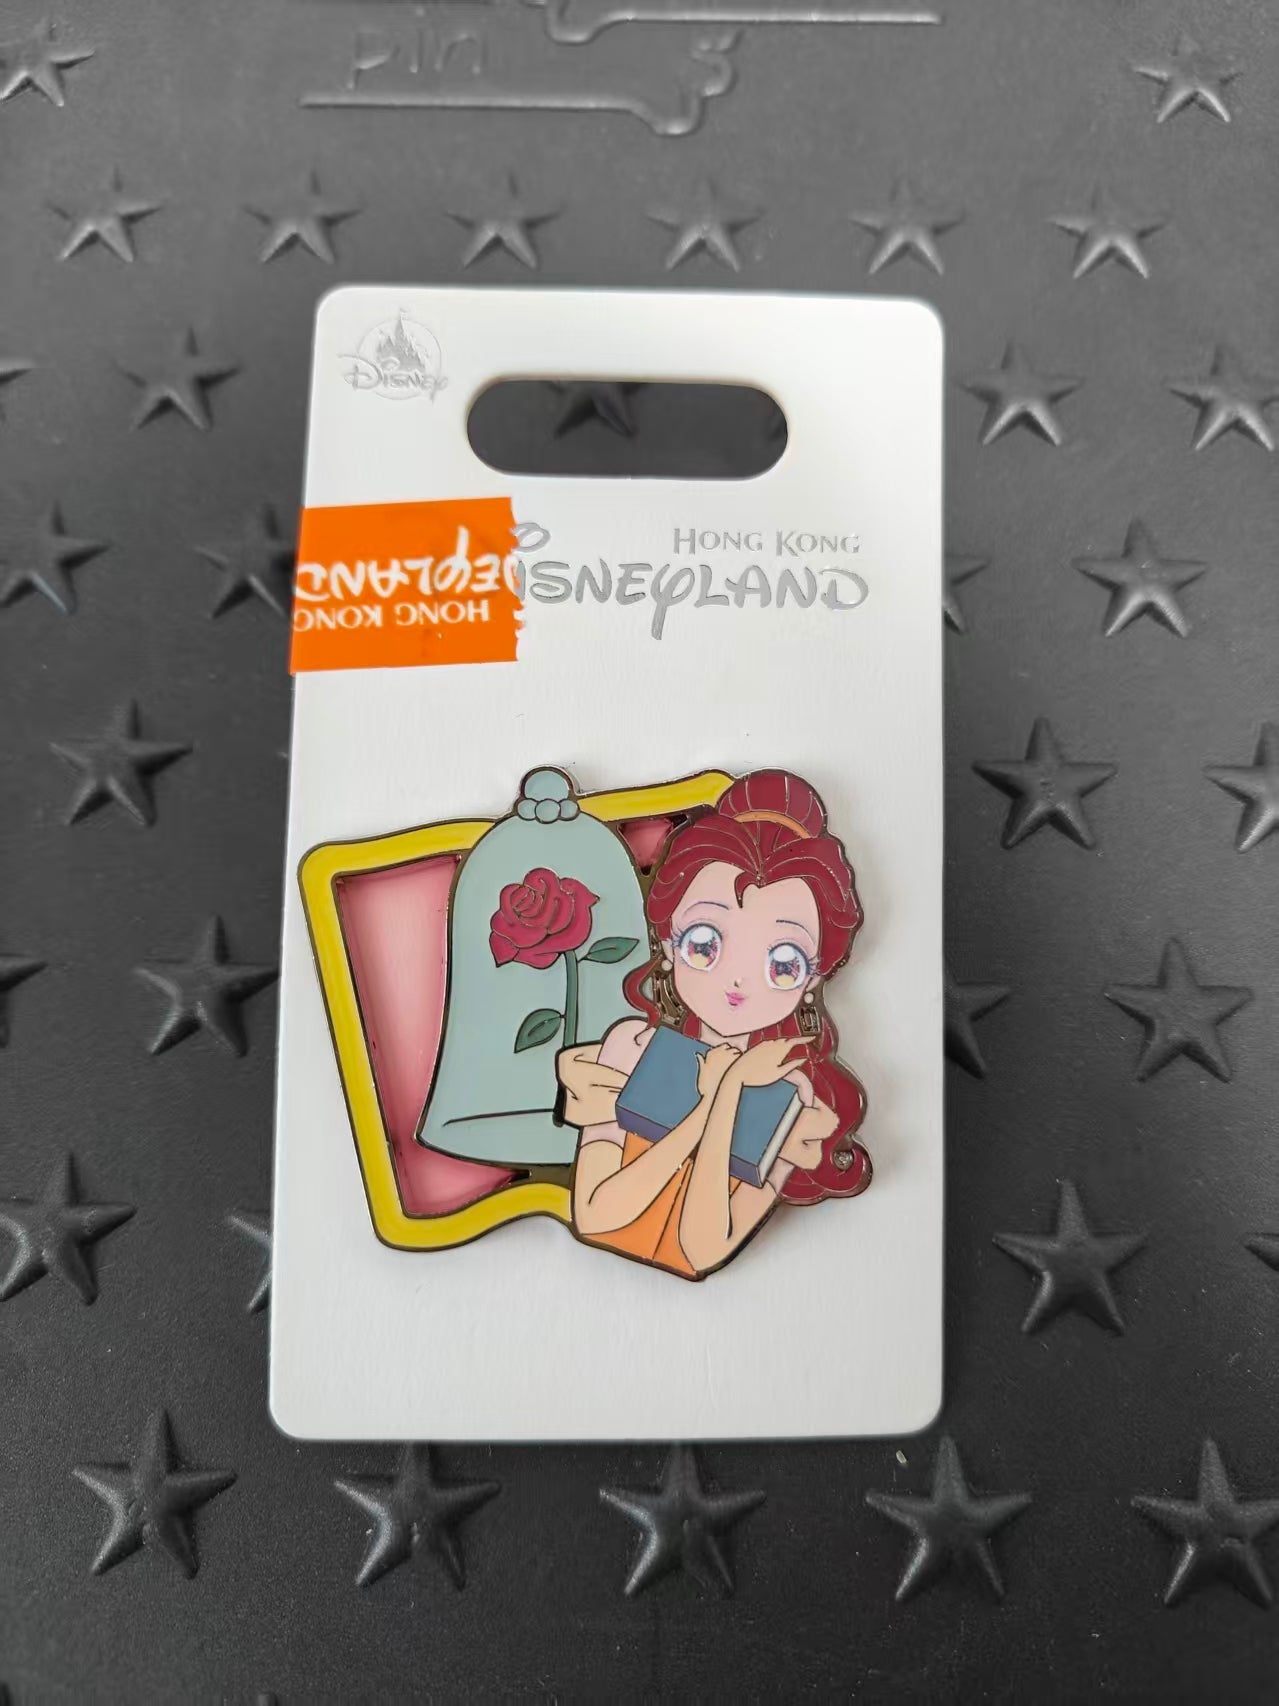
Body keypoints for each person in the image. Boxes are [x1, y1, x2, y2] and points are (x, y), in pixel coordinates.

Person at [556, 769, 870, 1280]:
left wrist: (730, 1091)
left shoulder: (796, 1099)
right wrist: (714, 1098)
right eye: (705, 944)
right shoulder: (629, 1049)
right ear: (667, 941)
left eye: (782, 963)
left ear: (813, 980)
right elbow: (594, 1216)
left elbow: (701, 1250)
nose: (738, 981)